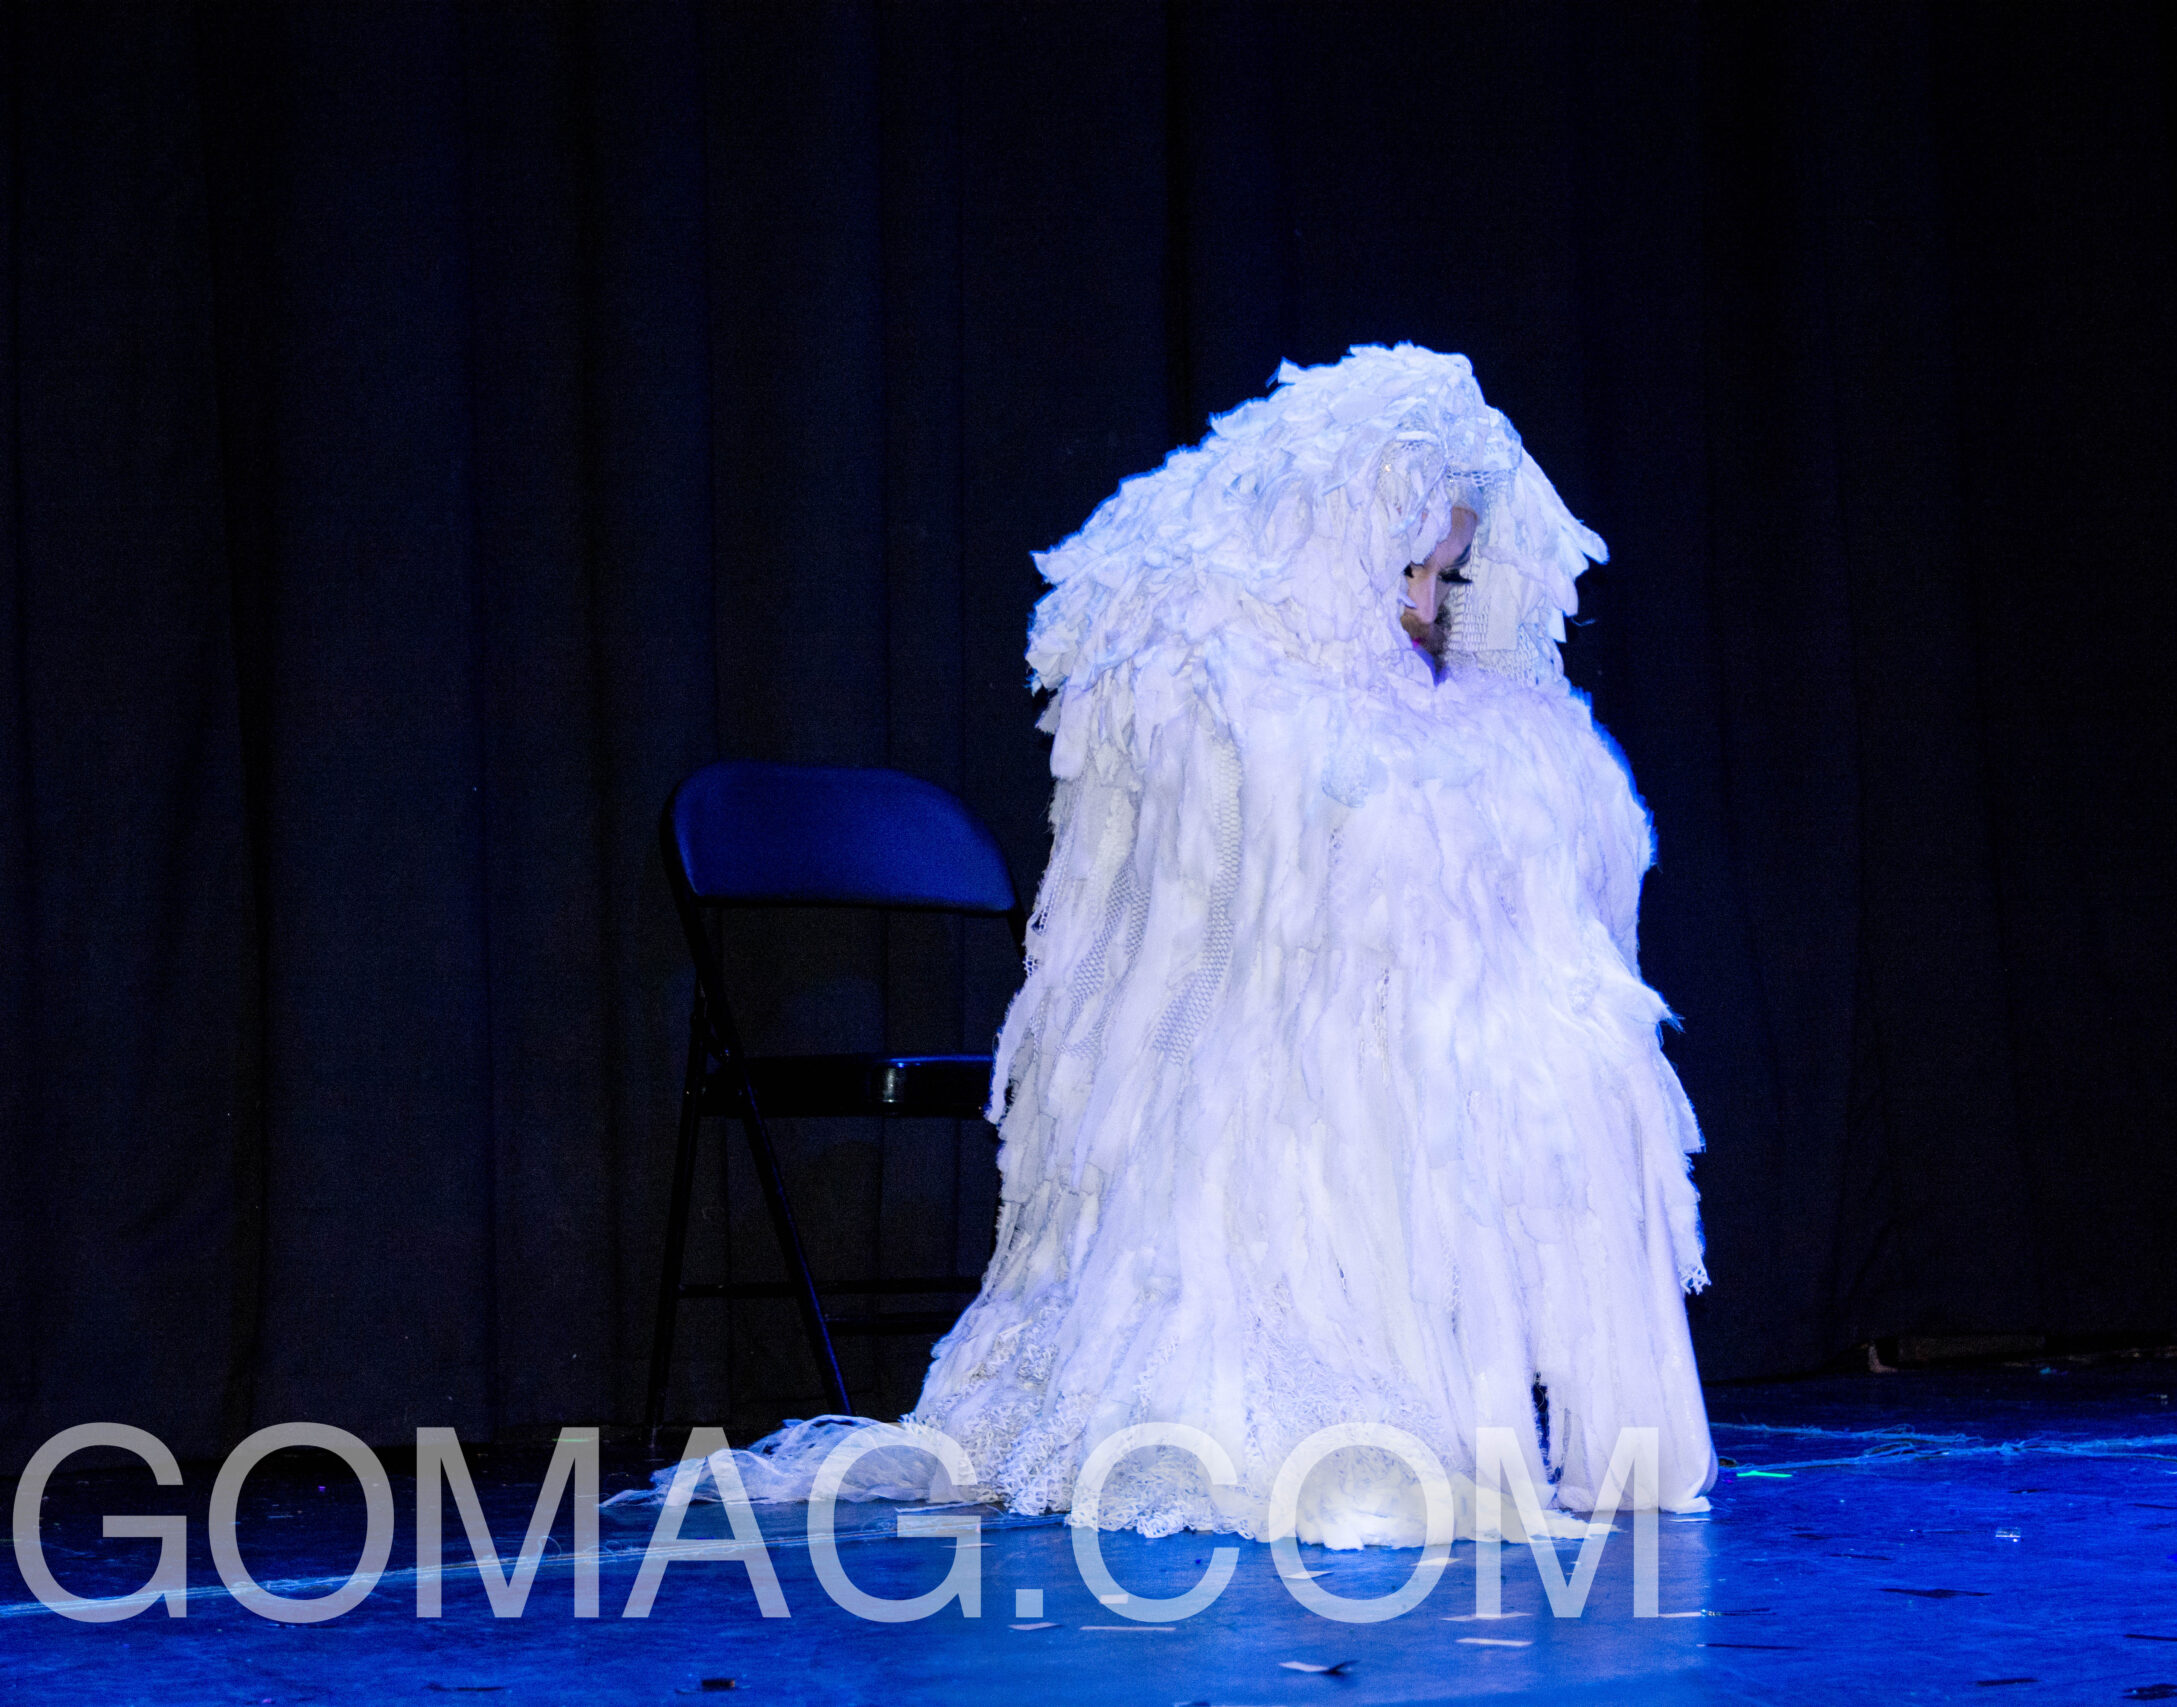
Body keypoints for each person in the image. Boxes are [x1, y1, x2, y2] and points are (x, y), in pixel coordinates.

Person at [632, 345, 1715, 1547]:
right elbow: (1255, 910)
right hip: (1246, 1050)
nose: (1424, 606)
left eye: (1446, 578)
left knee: (1579, 1050)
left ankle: (1528, 1413)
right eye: (1404, 570)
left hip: (1392, 1018)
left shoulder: (1463, 713)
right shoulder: (1213, 682)